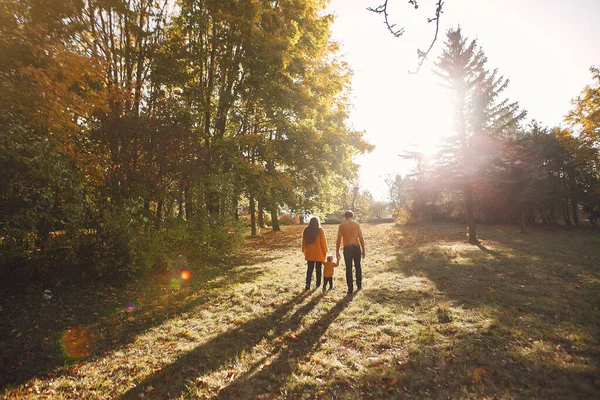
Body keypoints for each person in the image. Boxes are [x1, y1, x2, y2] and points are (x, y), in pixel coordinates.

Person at [336, 210, 365, 294]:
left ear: (345, 217)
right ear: (353, 216)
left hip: (347, 248)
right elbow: (361, 238)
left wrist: (337, 251)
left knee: (348, 268)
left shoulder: (341, 226)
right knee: (358, 266)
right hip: (356, 247)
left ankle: (350, 289)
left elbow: (338, 239)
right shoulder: (357, 224)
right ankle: (359, 285)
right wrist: (363, 250)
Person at [301, 216, 328, 290]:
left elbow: (304, 242)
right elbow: (323, 242)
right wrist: (325, 251)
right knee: (318, 269)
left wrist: (304, 250)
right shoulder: (319, 230)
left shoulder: (306, 230)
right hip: (318, 253)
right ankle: (318, 283)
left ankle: (307, 284)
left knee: (309, 269)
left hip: (310, 253)